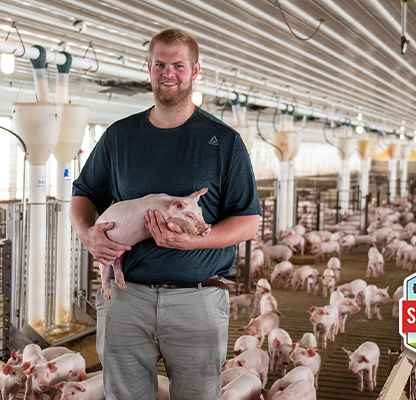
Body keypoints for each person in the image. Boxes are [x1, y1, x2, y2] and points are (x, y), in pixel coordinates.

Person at [70, 28, 261, 400]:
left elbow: (248, 221)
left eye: (178, 65)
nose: (168, 73)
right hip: (126, 298)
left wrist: (191, 242)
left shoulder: (224, 142)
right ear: (149, 68)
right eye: (160, 64)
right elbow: (83, 194)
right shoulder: (119, 136)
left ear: (195, 70)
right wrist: (86, 232)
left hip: (197, 299)